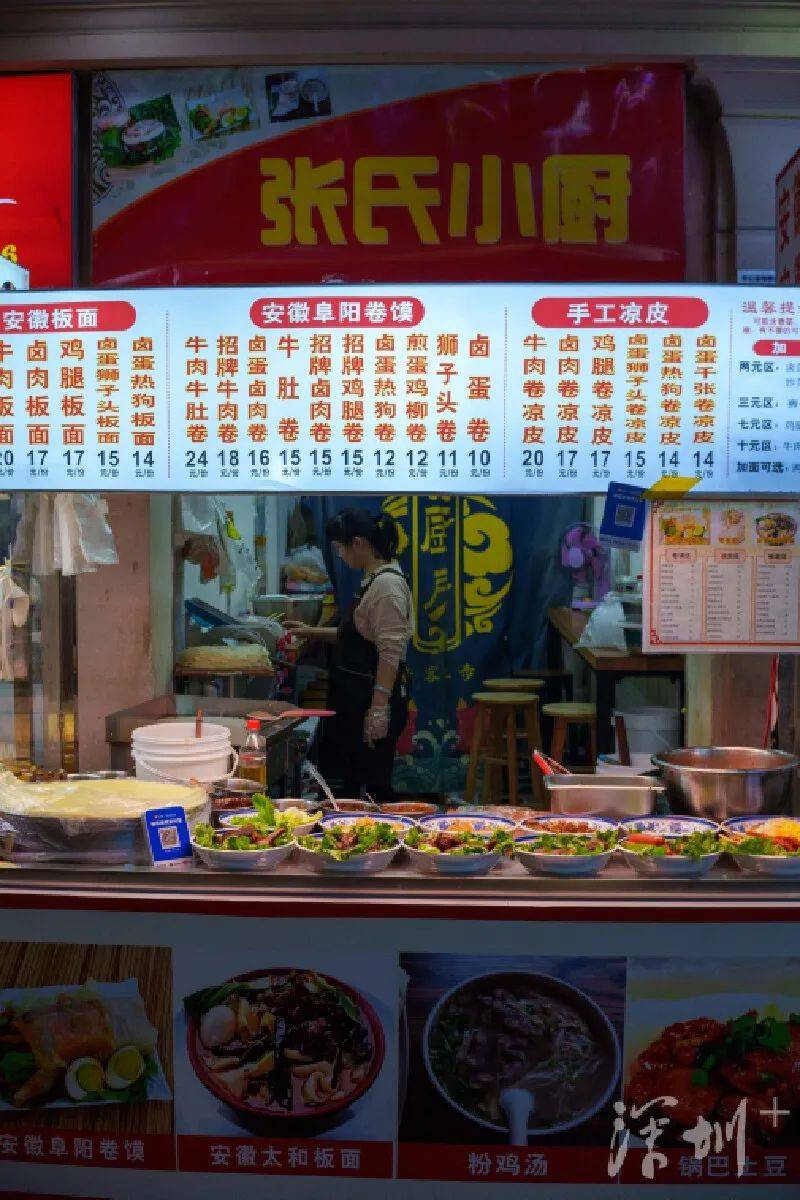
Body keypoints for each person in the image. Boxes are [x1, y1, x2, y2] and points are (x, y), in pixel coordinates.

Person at [284, 509, 413, 803]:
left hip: (369, 700)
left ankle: (379, 843)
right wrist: (311, 632)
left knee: (371, 788)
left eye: (341, 547)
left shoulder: (387, 586)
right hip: (355, 698)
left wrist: (378, 709)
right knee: (353, 785)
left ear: (359, 543)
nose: (340, 555)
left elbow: (390, 652)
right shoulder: (373, 579)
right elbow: (361, 632)